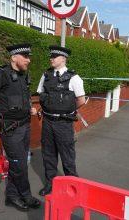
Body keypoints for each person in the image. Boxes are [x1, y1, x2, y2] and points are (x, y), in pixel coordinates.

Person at [0, 43, 40, 211]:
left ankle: (12, 196)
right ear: (14, 57)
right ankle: (26, 195)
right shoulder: (1, 74)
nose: (29, 60)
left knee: (18, 164)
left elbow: (22, 99)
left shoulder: (23, 76)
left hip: (25, 126)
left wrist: (30, 109)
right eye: (25, 57)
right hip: (10, 130)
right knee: (19, 165)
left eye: (29, 56)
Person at [37, 45, 86, 196]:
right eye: (51, 56)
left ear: (63, 59)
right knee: (48, 155)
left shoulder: (74, 78)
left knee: (67, 157)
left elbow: (81, 100)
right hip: (47, 122)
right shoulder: (45, 75)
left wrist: (67, 111)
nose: (51, 58)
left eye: (55, 56)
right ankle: (50, 184)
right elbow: (41, 94)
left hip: (64, 123)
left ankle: (73, 187)